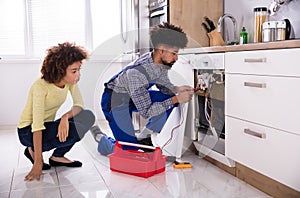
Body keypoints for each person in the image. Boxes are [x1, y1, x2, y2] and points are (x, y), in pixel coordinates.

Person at [91, 22, 193, 155]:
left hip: (132, 95)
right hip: (115, 100)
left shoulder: (158, 62)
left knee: (169, 99)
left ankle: (144, 138)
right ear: (161, 50)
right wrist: (176, 99)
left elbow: (163, 85)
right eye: (174, 53)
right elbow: (147, 111)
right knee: (129, 152)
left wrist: (176, 89)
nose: (176, 58)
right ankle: (102, 138)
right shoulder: (137, 73)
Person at [17, 42, 95, 181]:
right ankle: (33, 150)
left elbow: (79, 105)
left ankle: (57, 156)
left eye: (79, 70)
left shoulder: (70, 82)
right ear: (60, 70)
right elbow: (37, 125)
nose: (78, 75)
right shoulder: (40, 86)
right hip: (28, 131)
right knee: (73, 130)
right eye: (74, 71)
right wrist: (38, 163)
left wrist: (65, 117)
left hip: (47, 125)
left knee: (88, 116)